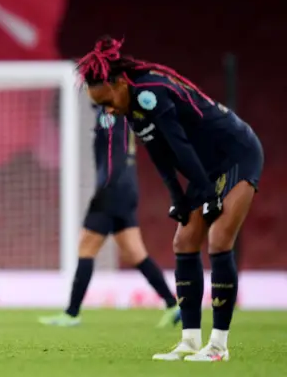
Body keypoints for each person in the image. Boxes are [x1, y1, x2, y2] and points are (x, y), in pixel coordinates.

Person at [78, 36, 263, 362]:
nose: (108, 110)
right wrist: (178, 196)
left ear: (120, 82)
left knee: (220, 239)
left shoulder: (151, 94)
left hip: (237, 153)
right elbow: (161, 156)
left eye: (107, 100)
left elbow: (181, 148)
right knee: (184, 241)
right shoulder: (131, 109)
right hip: (205, 167)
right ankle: (190, 342)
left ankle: (218, 347)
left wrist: (207, 194)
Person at [39, 104, 180, 328]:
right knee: (135, 252)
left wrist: (105, 188)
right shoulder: (122, 114)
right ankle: (173, 305)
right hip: (128, 188)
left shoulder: (109, 115)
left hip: (112, 190)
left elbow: (113, 153)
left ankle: (72, 313)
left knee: (86, 247)